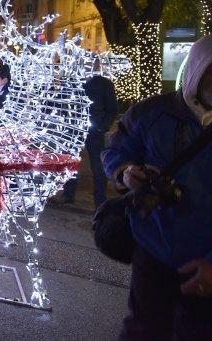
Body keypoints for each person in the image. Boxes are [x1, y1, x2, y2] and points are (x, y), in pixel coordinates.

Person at [103, 36, 212, 339]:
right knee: (145, 330)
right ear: (195, 72)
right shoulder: (149, 114)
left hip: (206, 259)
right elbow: (115, 151)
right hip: (154, 247)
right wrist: (124, 173)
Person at [59, 60, 117, 207]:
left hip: (94, 132)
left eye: (89, 65)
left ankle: (100, 201)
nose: (85, 67)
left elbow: (112, 109)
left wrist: (102, 127)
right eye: (82, 64)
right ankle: (68, 194)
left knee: (98, 167)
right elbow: (62, 103)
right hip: (73, 130)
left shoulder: (104, 84)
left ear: (96, 66)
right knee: (71, 164)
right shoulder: (72, 82)